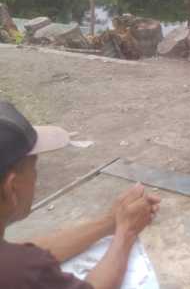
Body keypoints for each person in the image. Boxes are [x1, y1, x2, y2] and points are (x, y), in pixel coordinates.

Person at [0, 100, 160, 289]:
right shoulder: (18, 272)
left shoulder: (14, 261)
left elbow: (26, 251)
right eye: (33, 168)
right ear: (12, 187)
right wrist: (126, 233)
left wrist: (111, 221)